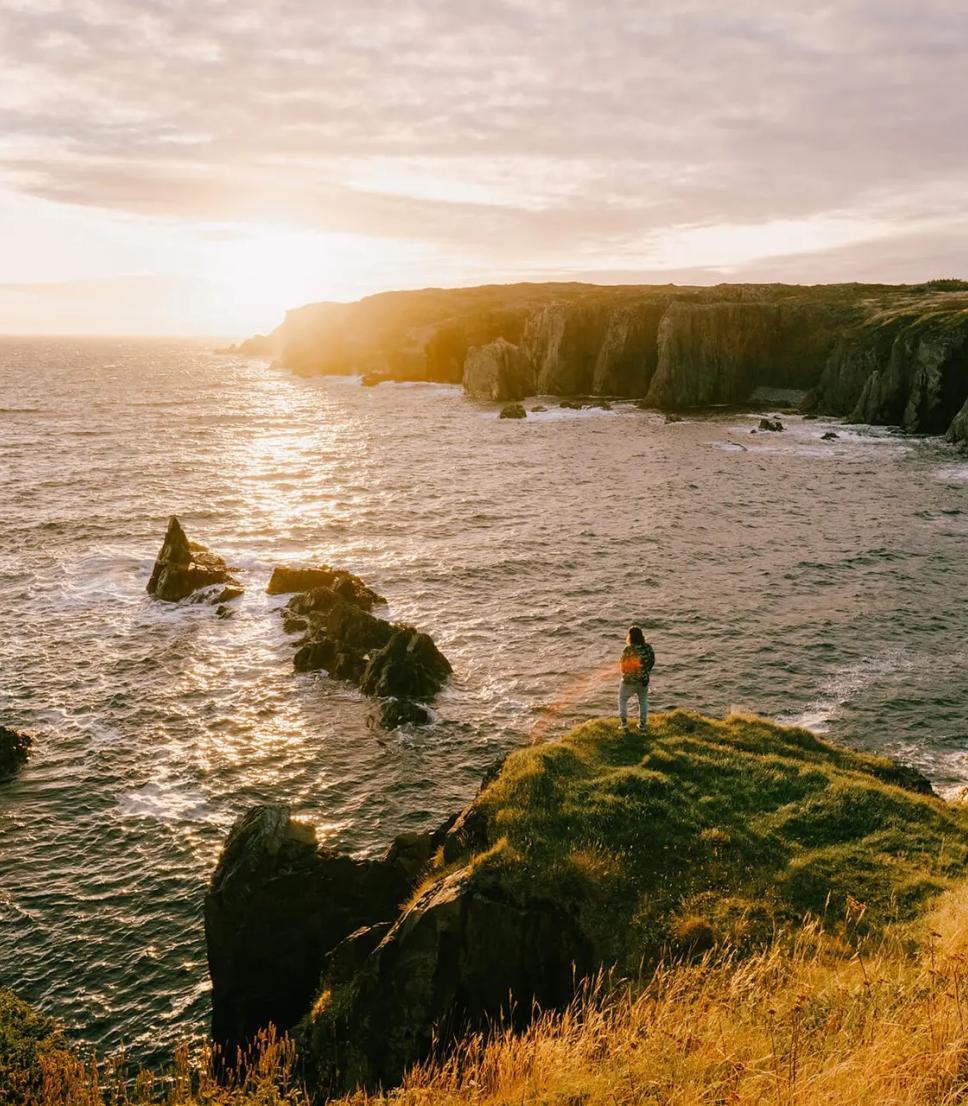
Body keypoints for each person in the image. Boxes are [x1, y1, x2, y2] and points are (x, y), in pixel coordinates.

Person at [618, 625, 655, 733]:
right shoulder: (648, 648)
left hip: (629, 681)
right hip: (643, 680)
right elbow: (652, 662)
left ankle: (624, 723)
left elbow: (622, 665)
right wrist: (646, 673)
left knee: (622, 700)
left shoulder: (628, 649)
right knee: (643, 701)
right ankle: (642, 725)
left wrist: (625, 673)